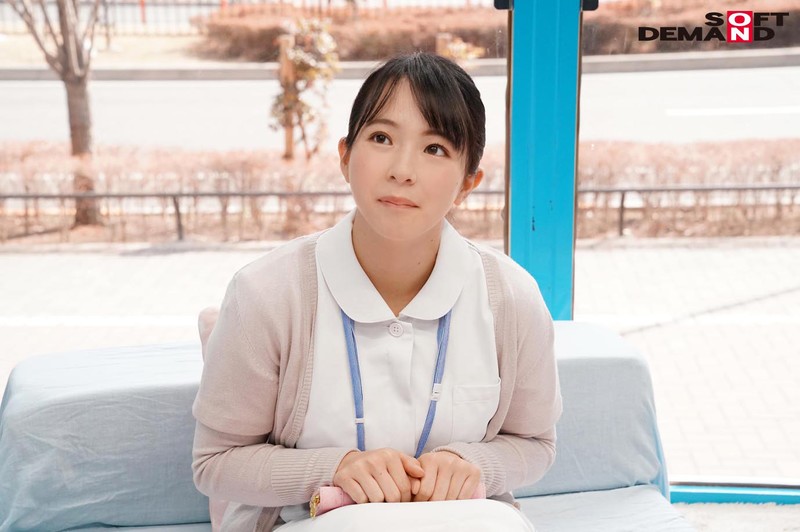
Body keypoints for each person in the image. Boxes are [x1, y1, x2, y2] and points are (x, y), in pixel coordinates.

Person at [192, 52, 562, 532]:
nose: (402, 170)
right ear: (346, 157)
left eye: (435, 149)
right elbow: (215, 462)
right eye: (382, 138)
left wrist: (474, 463)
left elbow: (536, 444)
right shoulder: (266, 293)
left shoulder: (511, 297)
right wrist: (334, 468)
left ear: (468, 182)